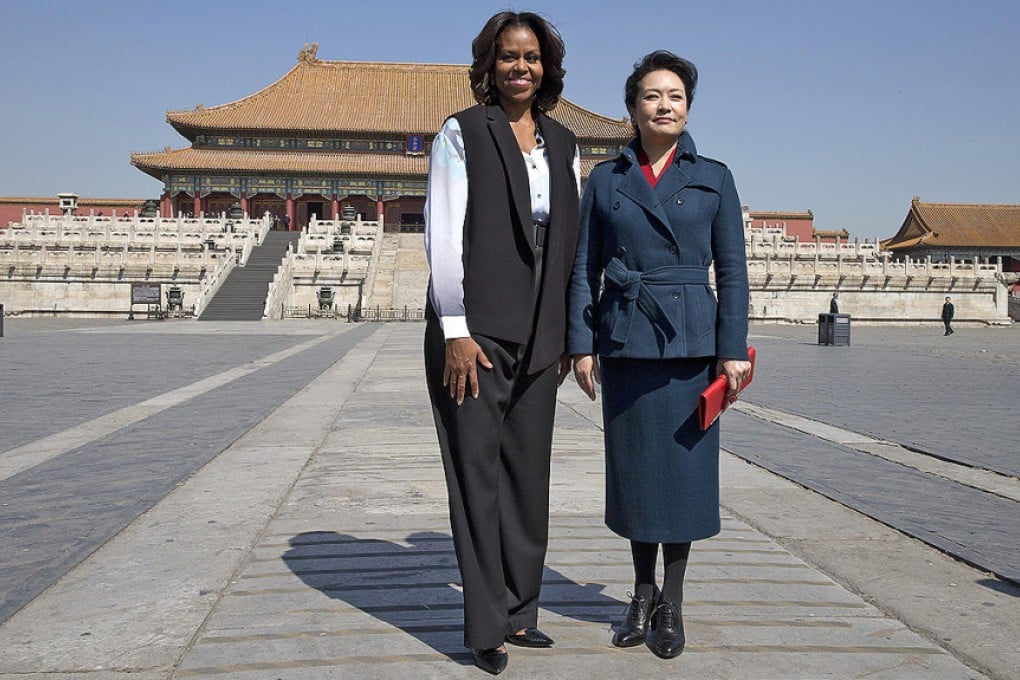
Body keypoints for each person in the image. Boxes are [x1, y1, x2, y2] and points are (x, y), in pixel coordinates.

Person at [567, 50, 751, 660]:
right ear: (632, 108)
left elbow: (732, 270)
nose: (664, 105)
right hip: (626, 340)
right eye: (652, 96)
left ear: (688, 107)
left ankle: (671, 599)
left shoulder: (714, 176)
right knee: (637, 475)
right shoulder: (605, 179)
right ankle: (639, 593)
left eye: (675, 96)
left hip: (690, 346)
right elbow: (583, 268)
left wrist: (732, 351)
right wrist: (582, 345)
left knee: (685, 480)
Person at [423, 11, 580, 675]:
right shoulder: (462, 133)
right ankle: (485, 626)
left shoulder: (565, 141)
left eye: (532, 58)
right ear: (488, 64)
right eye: (508, 56)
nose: (521, 67)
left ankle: (522, 609)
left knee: (527, 477)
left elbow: (571, 240)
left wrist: (570, 332)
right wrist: (455, 328)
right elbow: (443, 230)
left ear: (548, 68)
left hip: (541, 330)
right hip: (478, 330)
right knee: (477, 478)